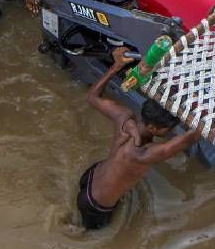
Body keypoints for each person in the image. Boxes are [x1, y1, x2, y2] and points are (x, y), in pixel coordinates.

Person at [77, 48, 202, 230]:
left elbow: (92, 96)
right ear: (153, 128)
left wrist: (116, 67)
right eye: (169, 127)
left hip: (90, 177)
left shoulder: (124, 117)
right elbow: (193, 136)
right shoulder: (145, 154)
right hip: (96, 205)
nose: (172, 130)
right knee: (89, 235)